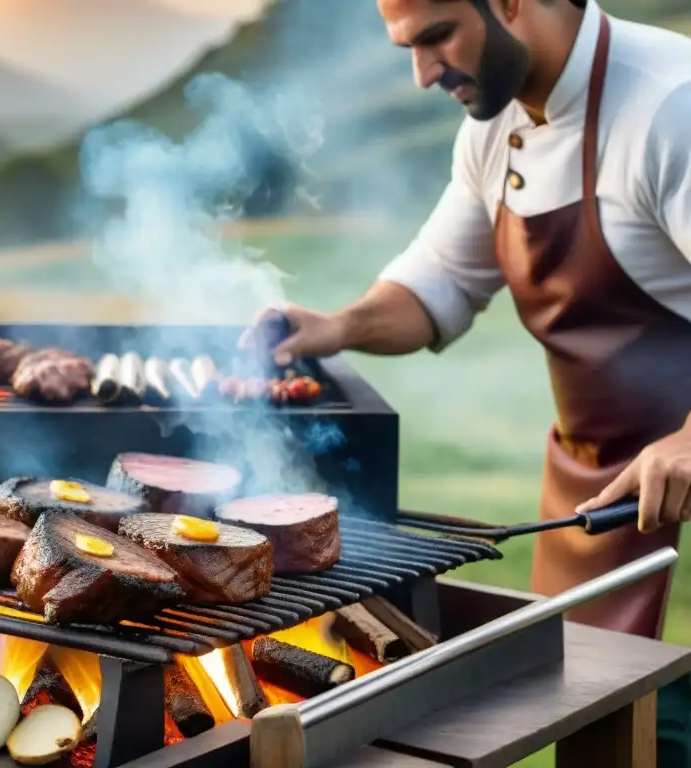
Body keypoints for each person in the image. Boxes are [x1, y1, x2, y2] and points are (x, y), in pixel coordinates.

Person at [241, 0, 691, 762]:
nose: (422, 74)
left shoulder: (669, 104)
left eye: (437, 37)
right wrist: (340, 326)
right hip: (597, 493)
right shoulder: (494, 128)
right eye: (408, 48)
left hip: (677, 478)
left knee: (667, 732)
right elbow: (441, 282)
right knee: (598, 737)